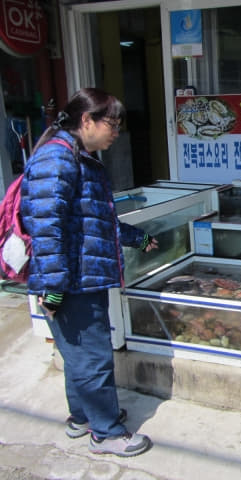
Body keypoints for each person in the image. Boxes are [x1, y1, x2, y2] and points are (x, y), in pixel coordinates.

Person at [20, 88, 158, 457]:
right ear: (87, 121)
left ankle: (83, 417)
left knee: (77, 355)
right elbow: (47, 230)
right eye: (111, 124)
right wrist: (53, 289)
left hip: (79, 277)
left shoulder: (76, 158)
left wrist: (137, 238)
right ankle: (107, 433)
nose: (116, 132)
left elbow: (93, 222)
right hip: (73, 282)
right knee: (93, 357)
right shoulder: (58, 159)